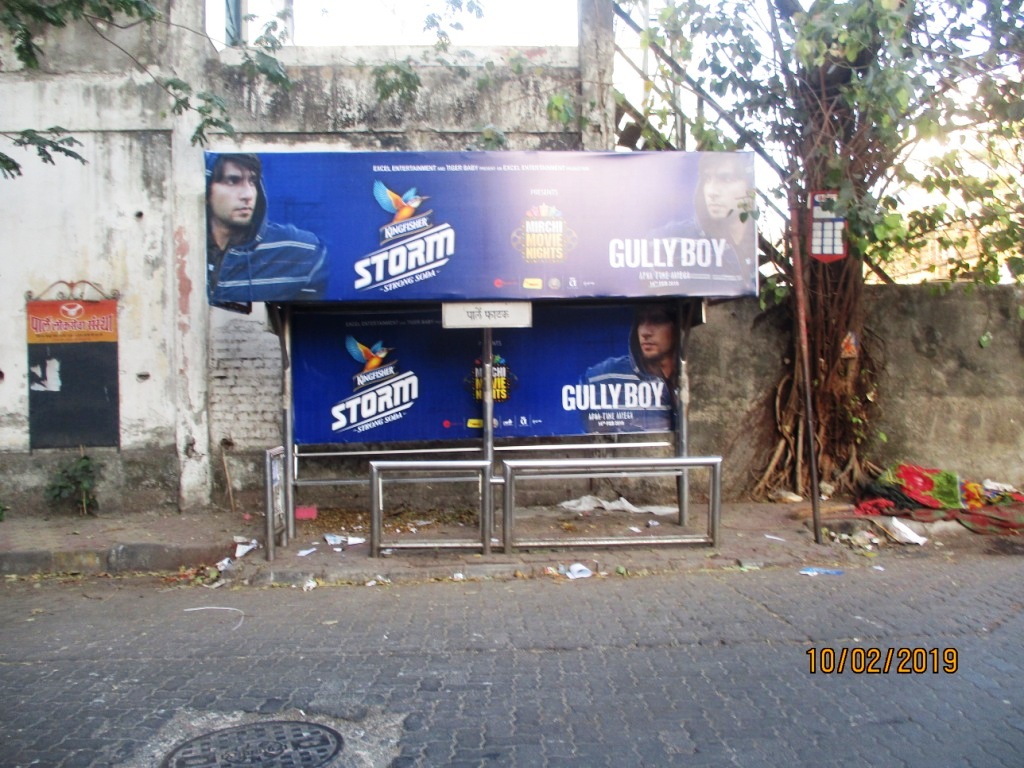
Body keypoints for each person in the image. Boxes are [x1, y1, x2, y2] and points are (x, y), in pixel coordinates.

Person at [206, 153, 328, 311]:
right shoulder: (184, 251)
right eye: (233, 181)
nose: (248, 195)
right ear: (207, 190)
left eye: (252, 181)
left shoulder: (300, 250)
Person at [579, 304, 679, 433]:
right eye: (641, 321)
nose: (645, 332)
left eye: (657, 320)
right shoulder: (604, 376)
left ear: (677, 328)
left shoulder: (696, 376)